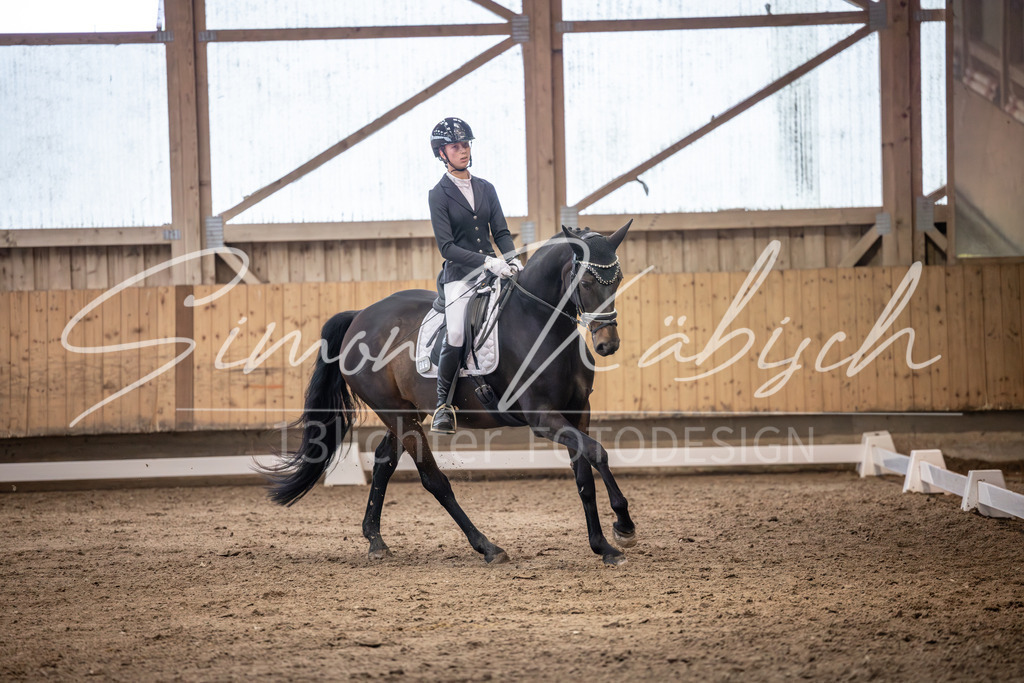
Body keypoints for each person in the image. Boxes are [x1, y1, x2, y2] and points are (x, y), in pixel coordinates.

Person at [428, 116, 521, 434]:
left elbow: (502, 232)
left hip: (495, 270)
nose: (463, 150)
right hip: (459, 276)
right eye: (456, 146)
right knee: (455, 333)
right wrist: (487, 261)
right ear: (442, 153)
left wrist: (512, 260)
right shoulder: (438, 194)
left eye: (466, 144)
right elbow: (447, 247)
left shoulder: (486, 188)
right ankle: (443, 404)